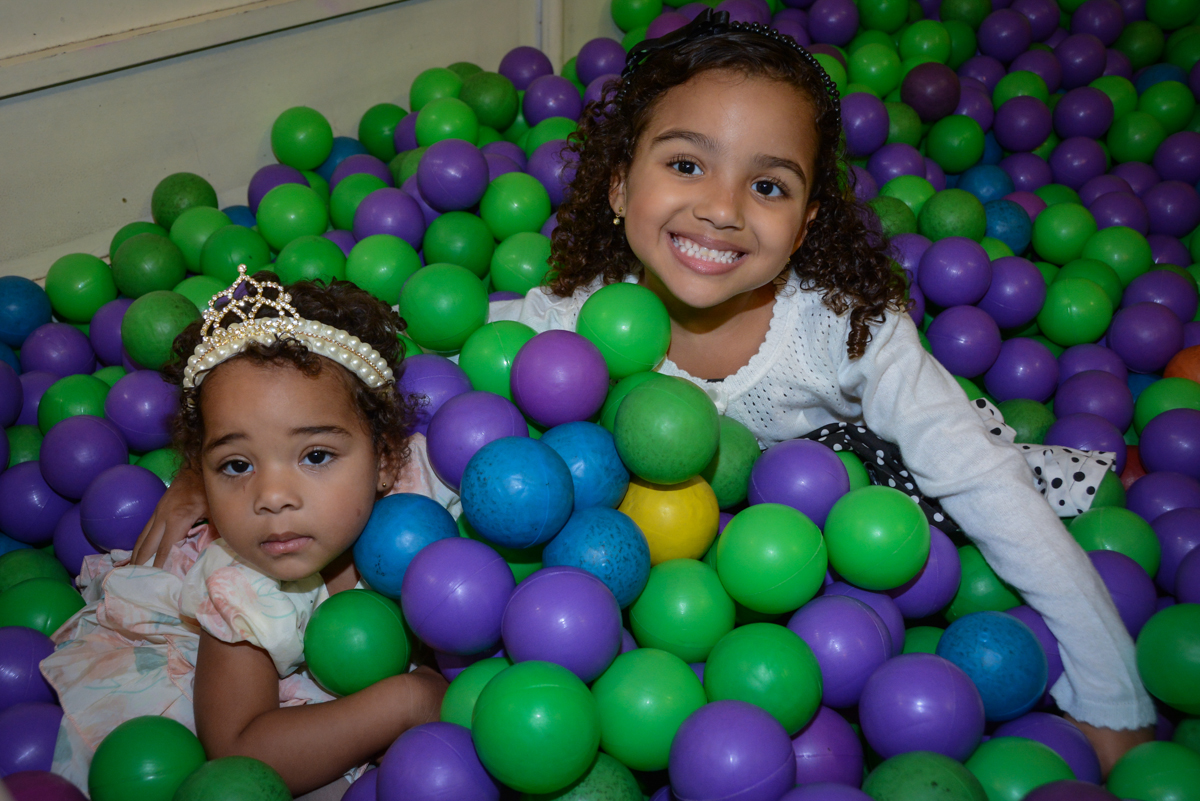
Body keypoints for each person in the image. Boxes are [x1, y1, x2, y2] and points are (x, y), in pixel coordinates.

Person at [134, 10, 1155, 776]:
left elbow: (984, 486)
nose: (721, 209)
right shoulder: (575, 322)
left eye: (768, 184)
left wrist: (1113, 699)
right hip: (657, 562)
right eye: (685, 164)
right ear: (621, 185)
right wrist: (225, 462)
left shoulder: (850, 328)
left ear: (807, 221)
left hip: (857, 510)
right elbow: (369, 374)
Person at [42, 269, 447, 799]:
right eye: (236, 465)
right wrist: (408, 701)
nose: (271, 496)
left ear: (386, 460)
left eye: (315, 456)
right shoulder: (244, 582)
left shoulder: (428, 489)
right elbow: (238, 748)